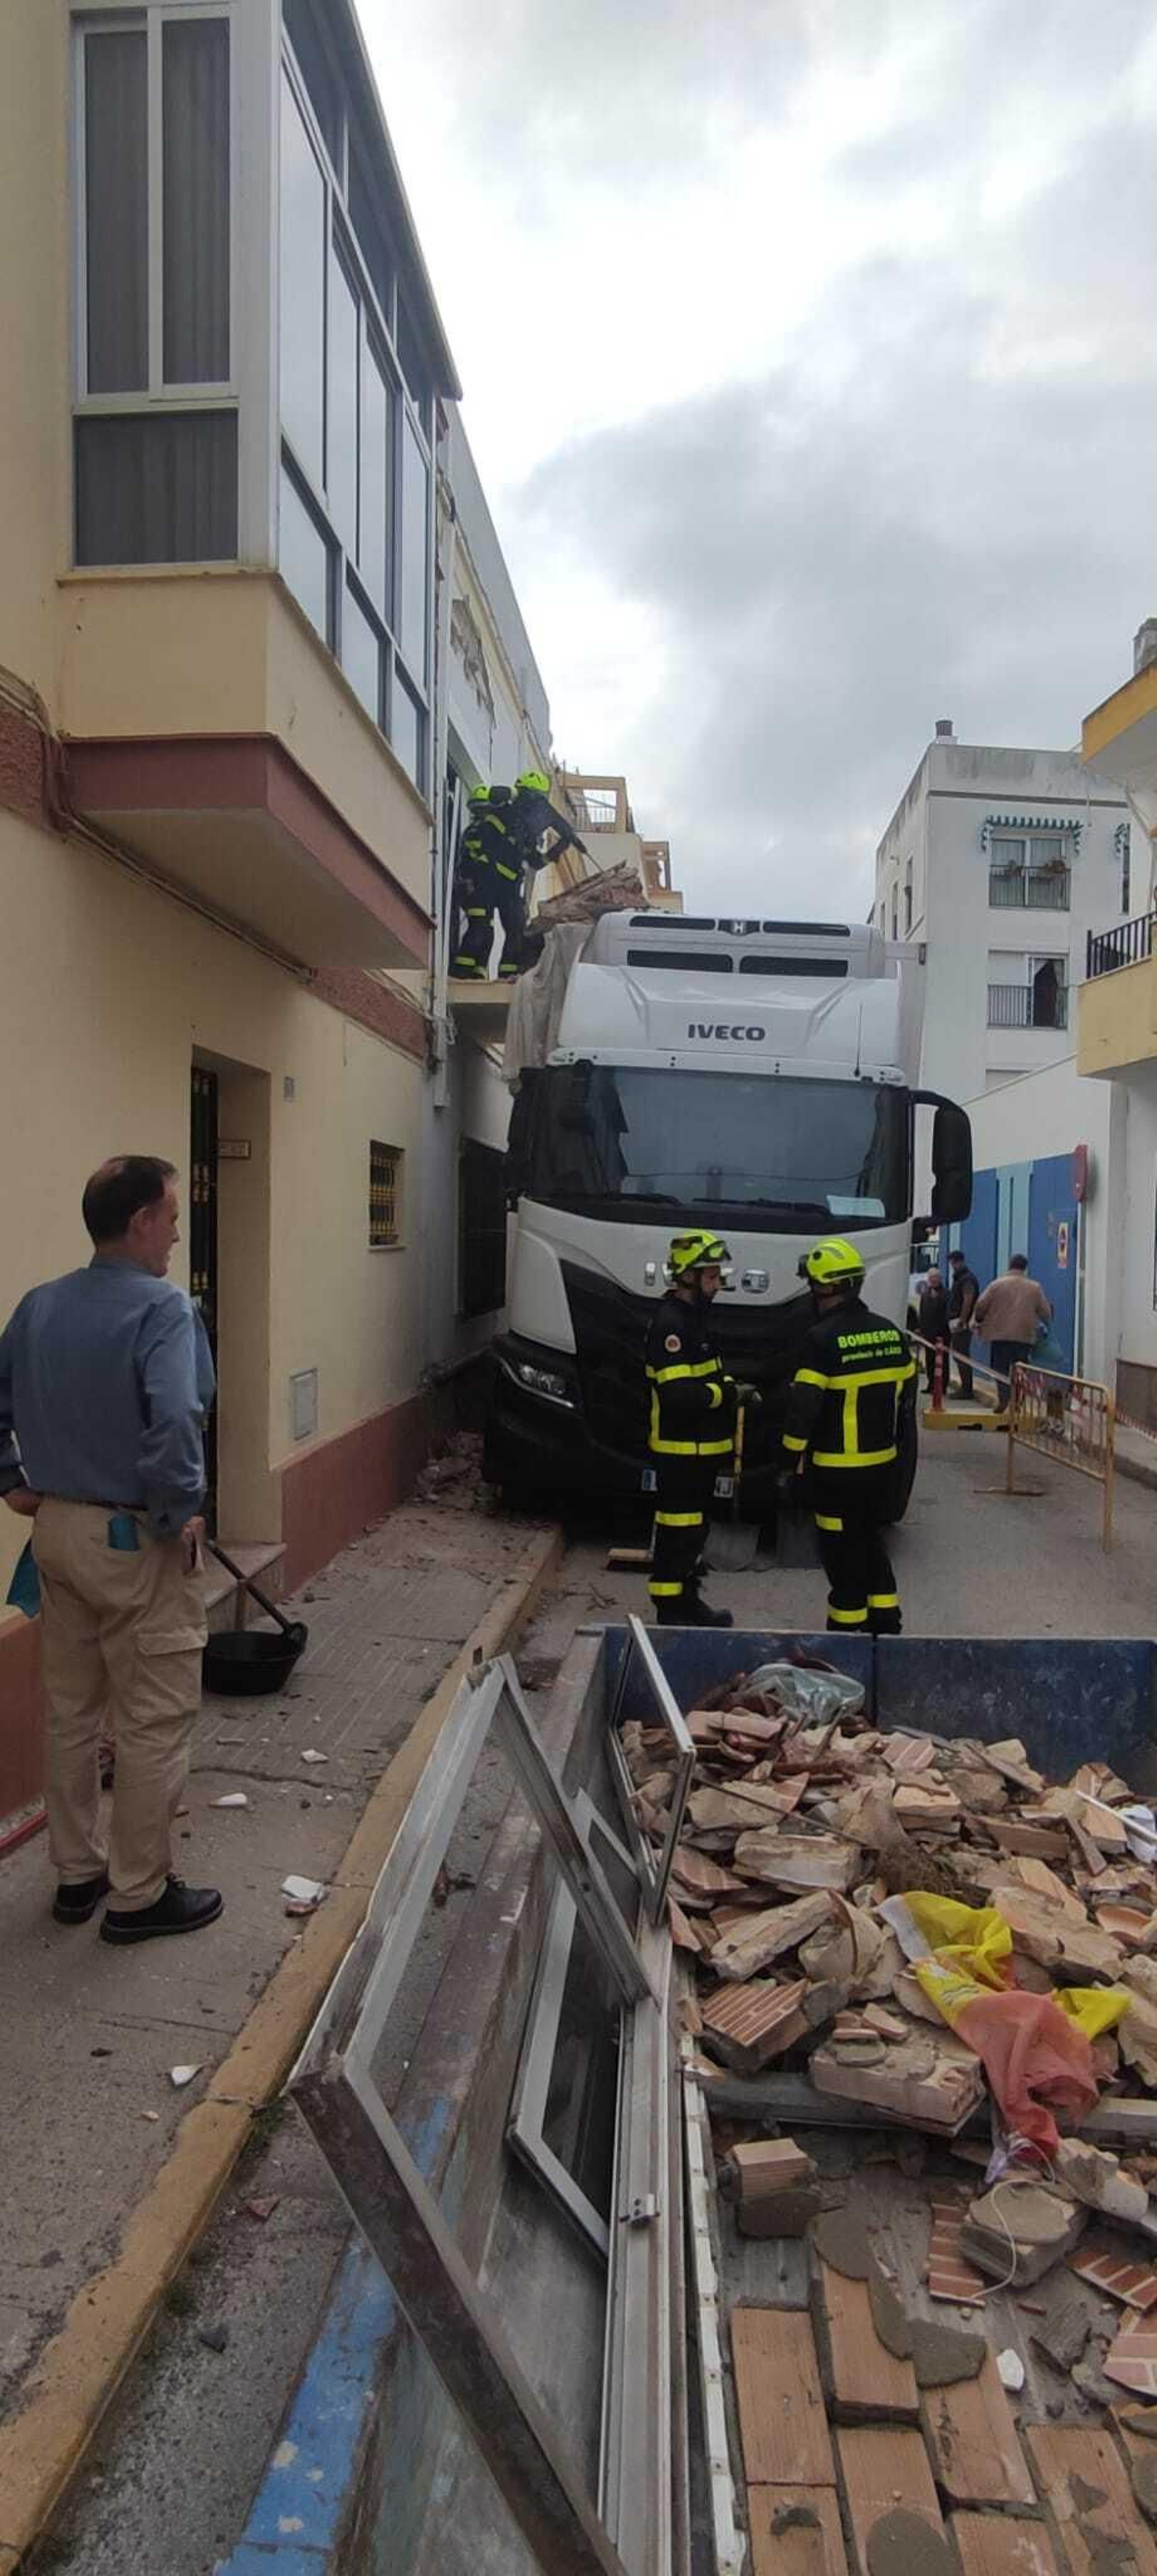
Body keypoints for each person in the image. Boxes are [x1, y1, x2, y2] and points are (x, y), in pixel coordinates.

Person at [0, 1158, 222, 1943]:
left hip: (55, 1533)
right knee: (154, 1718)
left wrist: (13, 1481)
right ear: (138, 1223)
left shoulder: (38, 1307)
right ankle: (138, 1895)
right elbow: (173, 1421)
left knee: (70, 1712)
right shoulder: (164, 1310)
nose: (175, 1233)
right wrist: (178, 1512)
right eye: (169, 1217)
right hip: (135, 1537)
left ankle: (76, 1875)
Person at [776, 1237, 916, 1636]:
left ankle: (844, 1640)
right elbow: (907, 1399)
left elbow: (803, 1411)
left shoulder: (821, 1341)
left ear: (823, 1288)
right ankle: (886, 1624)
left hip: (837, 1474)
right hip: (882, 1468)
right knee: (871, 1544)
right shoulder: (891, 1334)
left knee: (841, 1560)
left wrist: (786, 1467)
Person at [644, 1230, 755, 1627]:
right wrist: (725, 1395)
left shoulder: (696, 1320)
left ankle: (686, 1600)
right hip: (681, 1450)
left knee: (693, 1532)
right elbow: (676, 1393)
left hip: (701, 1449)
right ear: (688, 1277)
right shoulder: (672, 1325)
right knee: (678, 1531)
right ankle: (671, 1608)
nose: (718, 1285)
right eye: (711, 1277)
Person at [451, 783, 519, 981]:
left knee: (486, 930)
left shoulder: (477, 830)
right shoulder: (480, 831)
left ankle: (477, 971)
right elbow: (483, 862)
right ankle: (462, 971)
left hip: (478, 889)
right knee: (479, 928)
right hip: (475, 889)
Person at [973, 1253, 1051, 1407]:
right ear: (1025, 1268)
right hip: (1024, 1337)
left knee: (1000, 1369)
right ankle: (1018, 1402)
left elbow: (981, 1305)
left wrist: (979, 1320)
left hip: (999, 1336)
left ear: (1009, 1265)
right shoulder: (1035, 1287)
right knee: (1021, 1371)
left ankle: (1004, 1400)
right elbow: (1046, 1313)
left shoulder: (996, 1285)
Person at [947, 1247, 978, 1398]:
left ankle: (967, 1390)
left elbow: (968, 1299)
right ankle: (966, 1388)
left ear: (958, 1262)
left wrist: (962, 1320)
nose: (953, 1266)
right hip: (957, 1320)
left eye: (954, 1263)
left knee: (961, 1355)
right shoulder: (960, 1278)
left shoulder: (966, 1279)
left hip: (962, 1323)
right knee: (959, 1354)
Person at [916, 1268, 949, 1394]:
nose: (934, 1280)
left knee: (942, 1362)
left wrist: (941, 1331)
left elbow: (946, 1315)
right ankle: (931, 1385)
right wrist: (921, 1329)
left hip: (941, 1335)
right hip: (928, 1334)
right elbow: (923, 1313)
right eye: (931, 1278)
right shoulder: (925, 1294)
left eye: (936, 1277)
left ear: (940, 1278)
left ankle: (942, 1387)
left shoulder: (946, 1294)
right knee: (929, 1361)